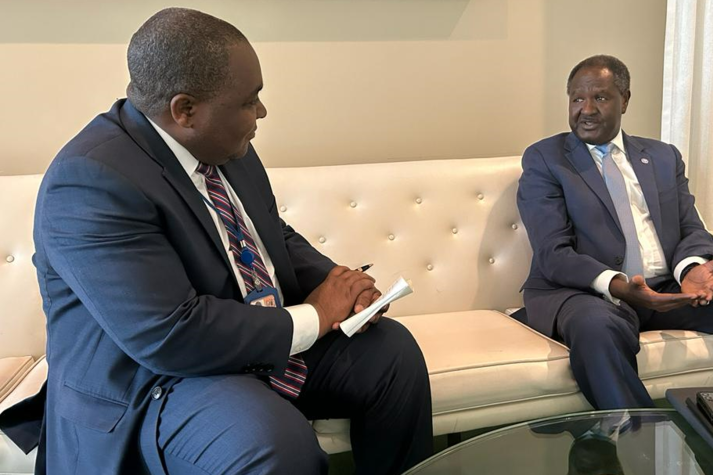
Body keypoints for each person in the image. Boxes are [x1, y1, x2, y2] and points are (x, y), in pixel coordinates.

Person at [0, 8, 432, 475]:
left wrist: (341, 287)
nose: (261, 112)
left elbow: (271, 234)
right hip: (154, 382)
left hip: (240, 342)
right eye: (250, 100)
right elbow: (168, 333)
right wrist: (317, 314)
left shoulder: (224, 145)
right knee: (272, 441)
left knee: (392, 354)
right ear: (185, 110)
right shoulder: (90, 180)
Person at [516, 54, 713, 410]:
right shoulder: (546, 159)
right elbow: (553, 253)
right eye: (577, 99)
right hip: (592, 293)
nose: (586, 109)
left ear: (625, 100)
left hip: (671, 290)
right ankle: (643, 438)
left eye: (600, 97)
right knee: (595, 329)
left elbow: (692, 228)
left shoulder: (663, 156)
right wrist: (620, 286)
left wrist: (690, 269)